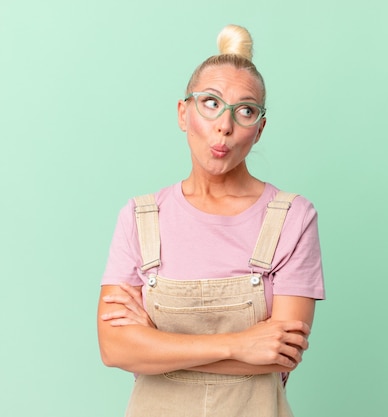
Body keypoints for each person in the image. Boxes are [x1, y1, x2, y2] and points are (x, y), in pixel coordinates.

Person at [97, 24, 325, 417]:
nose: (225, 125)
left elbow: (280, 354)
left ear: (259, 130)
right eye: (211, 103)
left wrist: (154, 344)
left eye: (246, 111)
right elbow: (114, 348)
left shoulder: (292, 218)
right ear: (183, 113)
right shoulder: (139, 217)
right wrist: (239, 345)